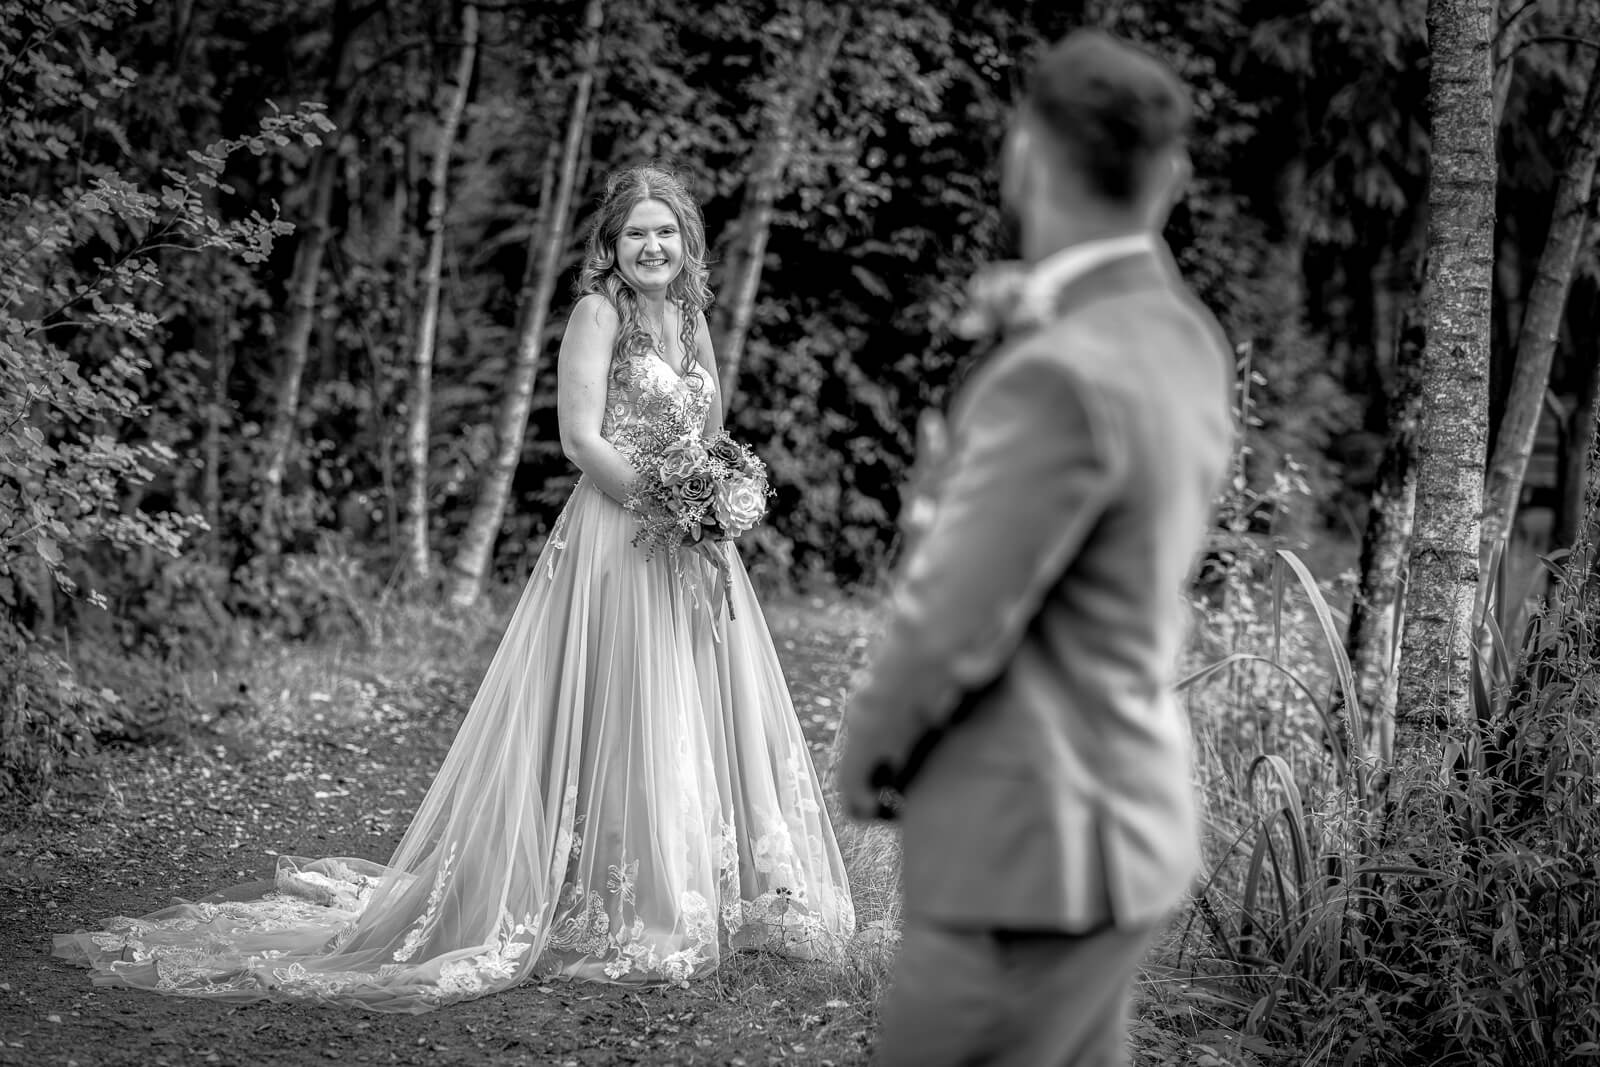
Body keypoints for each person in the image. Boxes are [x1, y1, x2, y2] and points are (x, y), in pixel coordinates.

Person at [54, 164, 856, 1011]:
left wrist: (717, 494)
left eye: (665, 232)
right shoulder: (599, 314)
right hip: (619, 539)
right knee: (626, 707)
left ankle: (716, 891)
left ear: (687, 242)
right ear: (611, 245)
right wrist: (668, 506)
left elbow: (712, 431)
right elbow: (579, 439)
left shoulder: (691, 319)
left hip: (690, 547)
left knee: (690, 705)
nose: (651, 246)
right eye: (636, 233)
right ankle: (626, 901)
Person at [837, 29, 1233, 1067]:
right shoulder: (1186, 338)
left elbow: (951, 619)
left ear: (1025, 154)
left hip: (1026, 847)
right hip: (1126, 826)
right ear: (1170, 177)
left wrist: (870, 752)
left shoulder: (1057, 373)